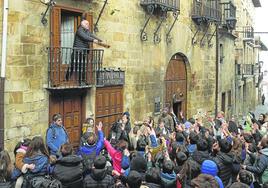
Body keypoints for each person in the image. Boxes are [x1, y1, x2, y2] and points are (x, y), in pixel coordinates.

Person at [65, 19, 102, 85]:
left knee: (82, 67)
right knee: (73, 66)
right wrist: (93, 40)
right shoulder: (80, 30)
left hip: (84, 52)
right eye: (86, 24)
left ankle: (81, 82)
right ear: (82, 24)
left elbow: (91, 35)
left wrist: (99, 40)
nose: (88, 25)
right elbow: (85, 37)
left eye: (88, 24)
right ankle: (66, 79)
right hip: (77, 52)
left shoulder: (87, 31)